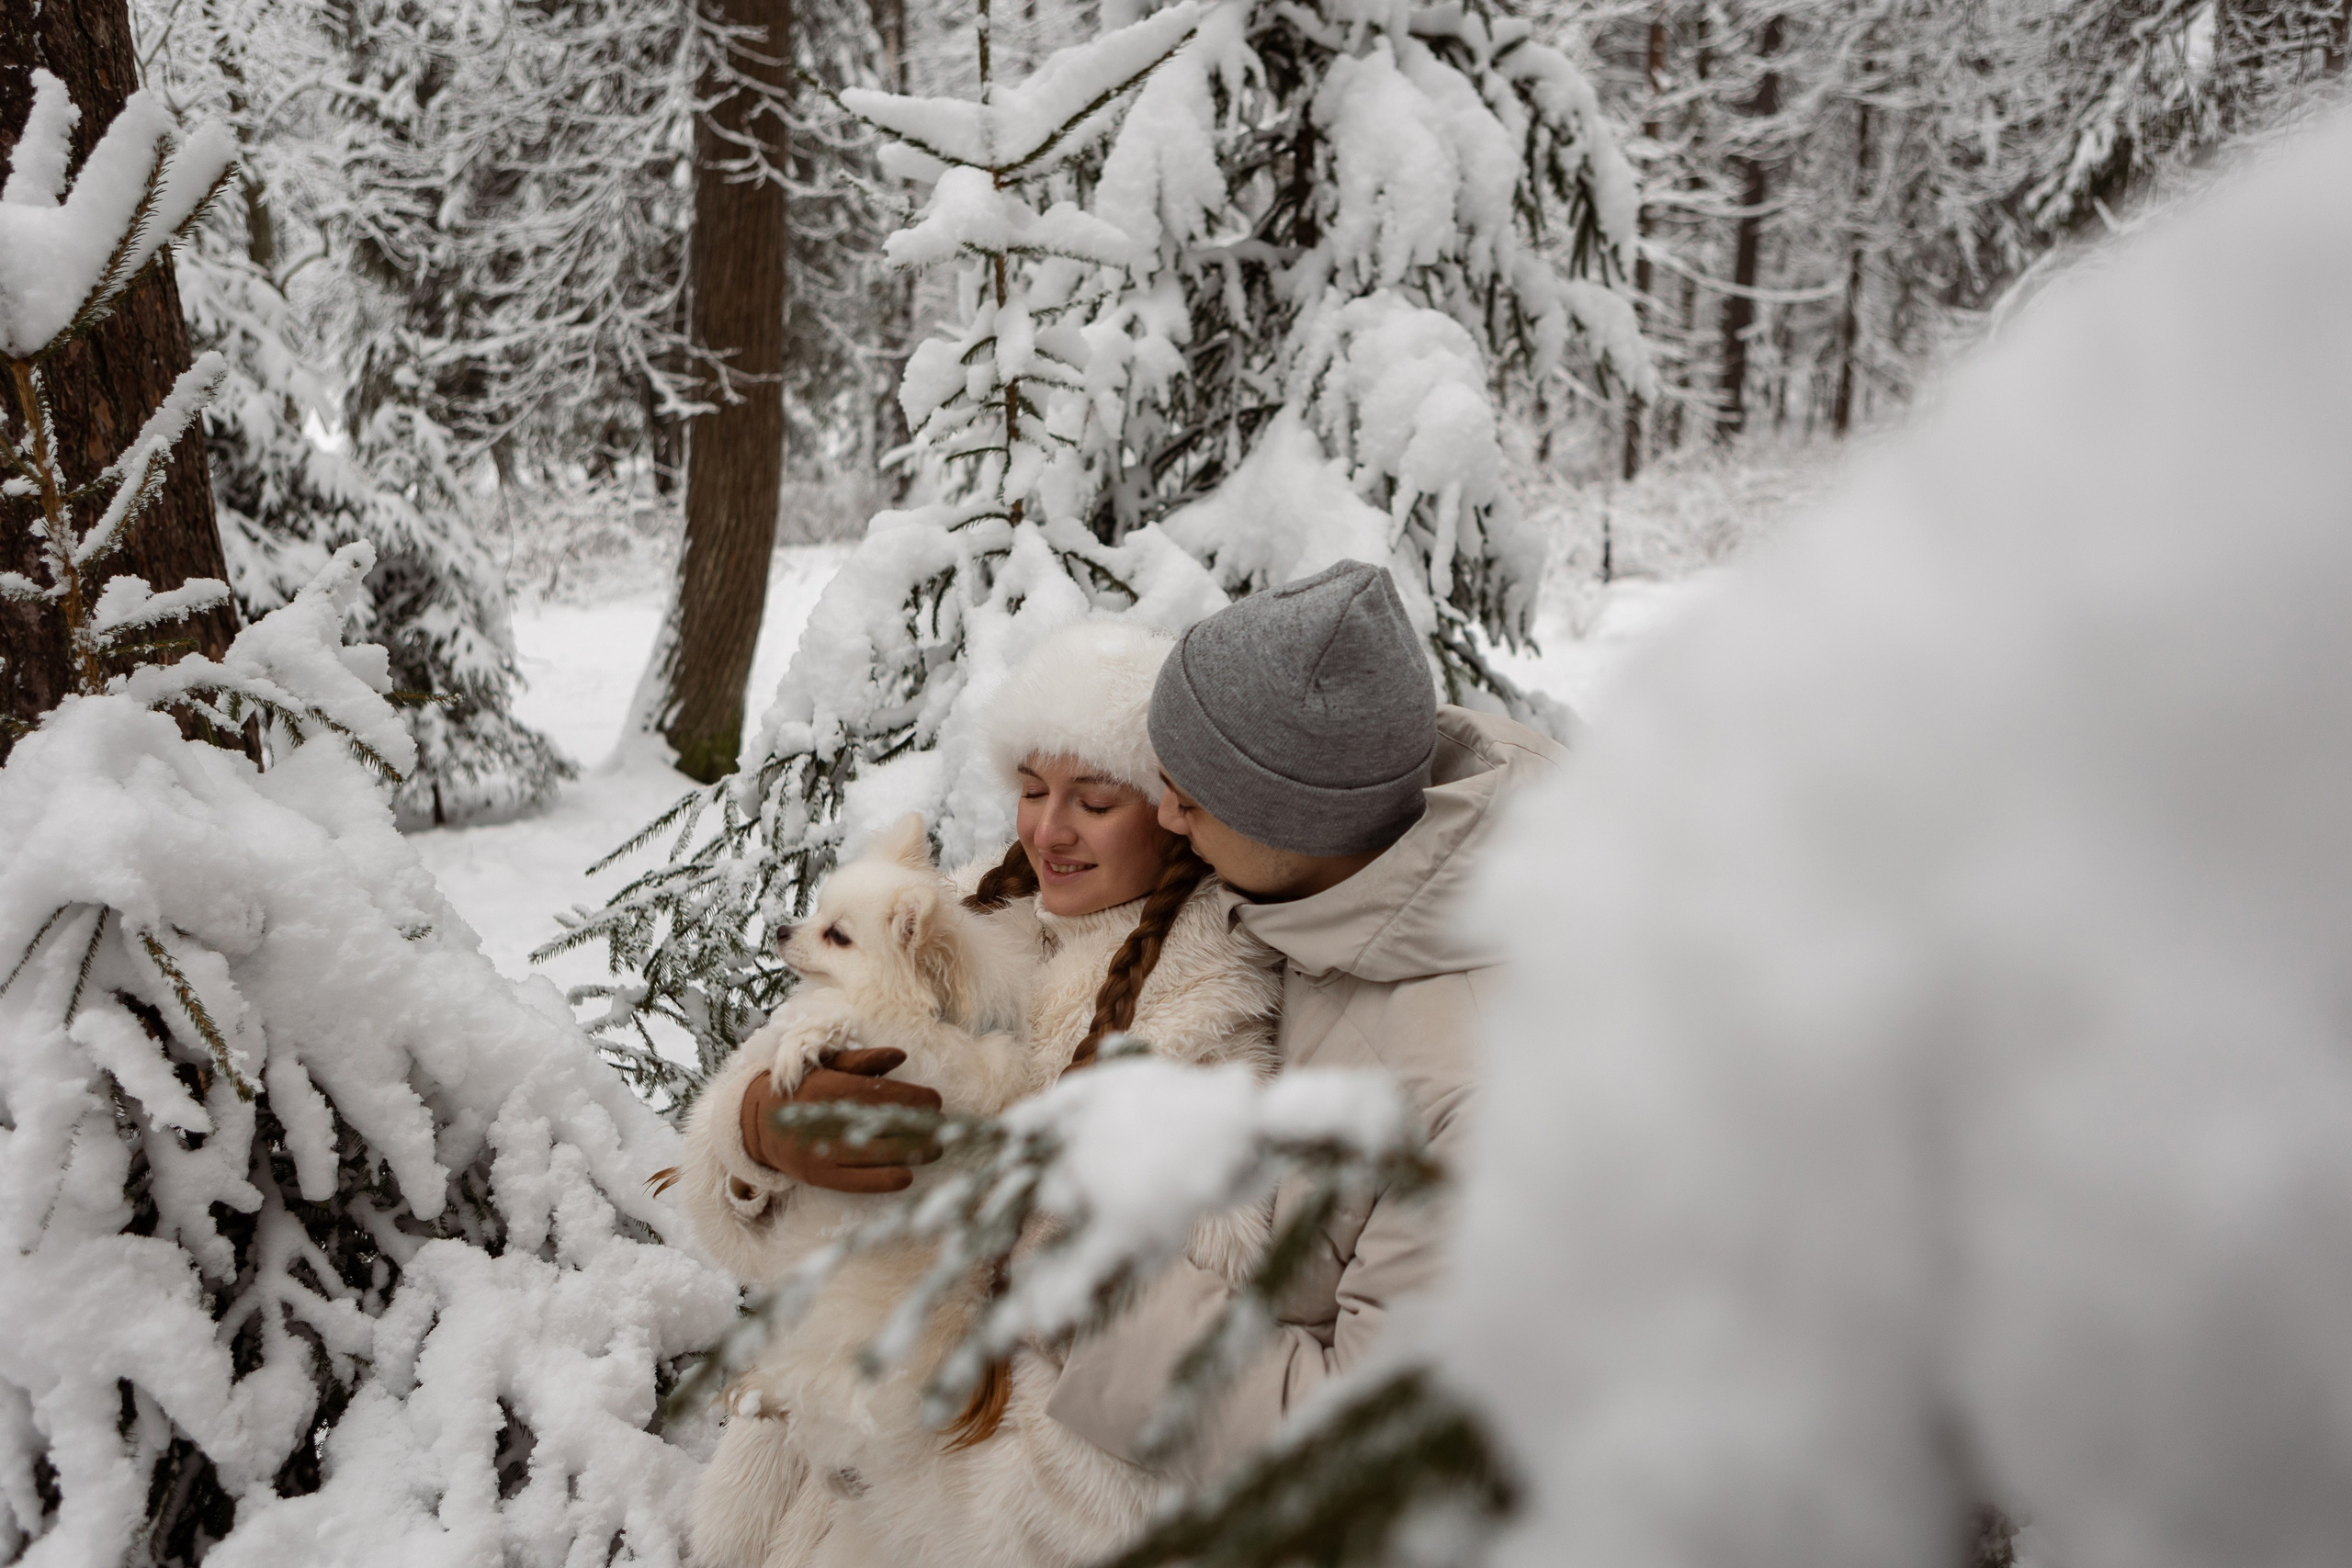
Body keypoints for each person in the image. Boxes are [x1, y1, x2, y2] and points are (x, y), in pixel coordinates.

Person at [675, 618, 1283, 1568]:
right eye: (1032, 791)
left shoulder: (1203, 1006)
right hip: (802, 1481)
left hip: (956, 1495)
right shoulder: (948, 910)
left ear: (1171, 811)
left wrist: (940, 1486)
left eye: (1093, 799)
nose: (1048, 829)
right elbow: (726, 1199)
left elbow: (1167, 1342)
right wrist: (754, 1136)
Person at [1043, 558, 1567, 1483]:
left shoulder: (1471, 1092)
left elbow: (1371, 1448)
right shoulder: (1312, 855)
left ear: (1293, 821)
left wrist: (1098, 1303)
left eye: (1190, 800)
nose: (1163, 817)